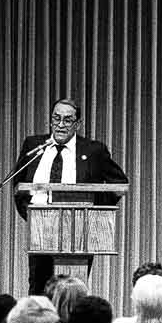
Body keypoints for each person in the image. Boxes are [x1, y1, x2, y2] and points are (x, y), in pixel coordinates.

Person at [11, 98, 128, 294]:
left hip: (78, 229)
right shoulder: (34, 145)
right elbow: (18, 184)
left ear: (77, 124)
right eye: (56, 119)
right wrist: (30, 214)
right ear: (50, 121)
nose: (60, 125)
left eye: (67, 120)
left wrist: (92, 212)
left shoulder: (93, 150)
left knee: (71, 291)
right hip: (41, 227)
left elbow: (119, 184)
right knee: (39, 289)